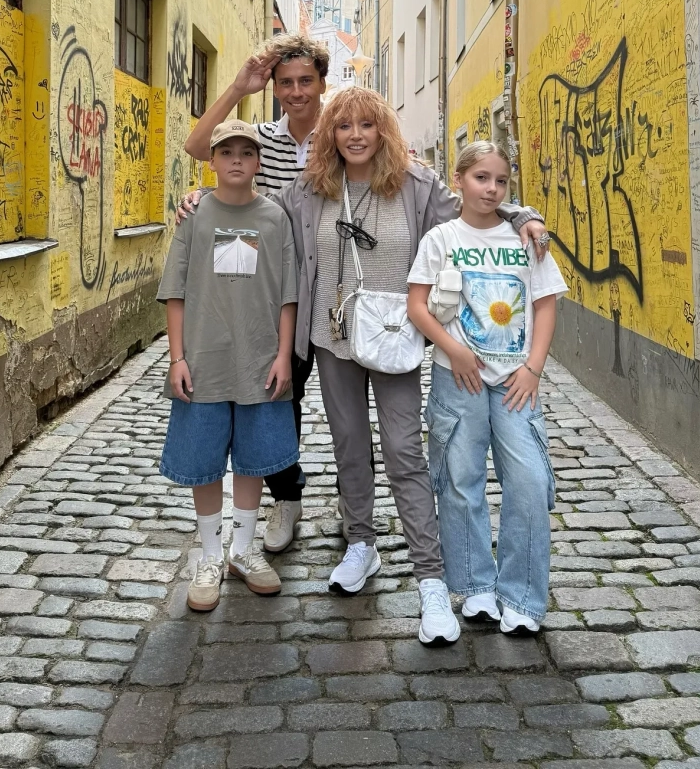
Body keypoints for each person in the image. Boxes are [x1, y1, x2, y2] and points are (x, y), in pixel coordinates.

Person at [271, 88, 548, 647]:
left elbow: (478, 206)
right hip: (333, 336)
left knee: (403, 451)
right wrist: (199, 200)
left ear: (383, 130)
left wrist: (526, 216)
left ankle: (429, 579)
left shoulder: (415, 184)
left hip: (397, 338)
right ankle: (361, 544)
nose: (355, 135)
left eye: (366, 125)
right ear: (330, 133)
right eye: (343, 125)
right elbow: (256, 210)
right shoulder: (310, 187)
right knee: (349, 446)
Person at [181, 33, 357, 554]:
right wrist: (240, 86)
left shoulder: (341, 134)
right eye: (285, 83)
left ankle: (355, 501)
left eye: (305, 81)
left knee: (349, 402)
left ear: (322, 83)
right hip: (269, 289)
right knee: (281, 396)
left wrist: (512, 212)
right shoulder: (260, 138)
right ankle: (287, 498)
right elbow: (199, 148)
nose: (296, 91)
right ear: (274, 87)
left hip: (334, 285)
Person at [407, 141, 567, 635]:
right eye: (481, 178)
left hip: (515, 381)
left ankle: (521, 595)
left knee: (529, 482)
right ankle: (476, 585)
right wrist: (452, 350)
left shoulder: (526, 238)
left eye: (500, 180)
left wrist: (533, 368)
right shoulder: (441, 238)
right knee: (461, 481)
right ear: (458, 180)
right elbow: (416, 305)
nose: (492, 189)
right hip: (458, 379)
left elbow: (544, 303)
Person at [157, 120, 299, 612]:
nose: (237, 159)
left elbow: (288, 294)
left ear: (258, 161)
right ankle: (210, 554)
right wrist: (177, 357)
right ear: (212, 160)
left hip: (260, 358)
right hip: (204, 359)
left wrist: (283, 354)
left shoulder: (275, 217)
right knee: (204, 458)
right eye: (226, 152)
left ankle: (242, 549)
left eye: (246, 152)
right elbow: (175, 290)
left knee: (254, 456)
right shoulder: (195, 216)